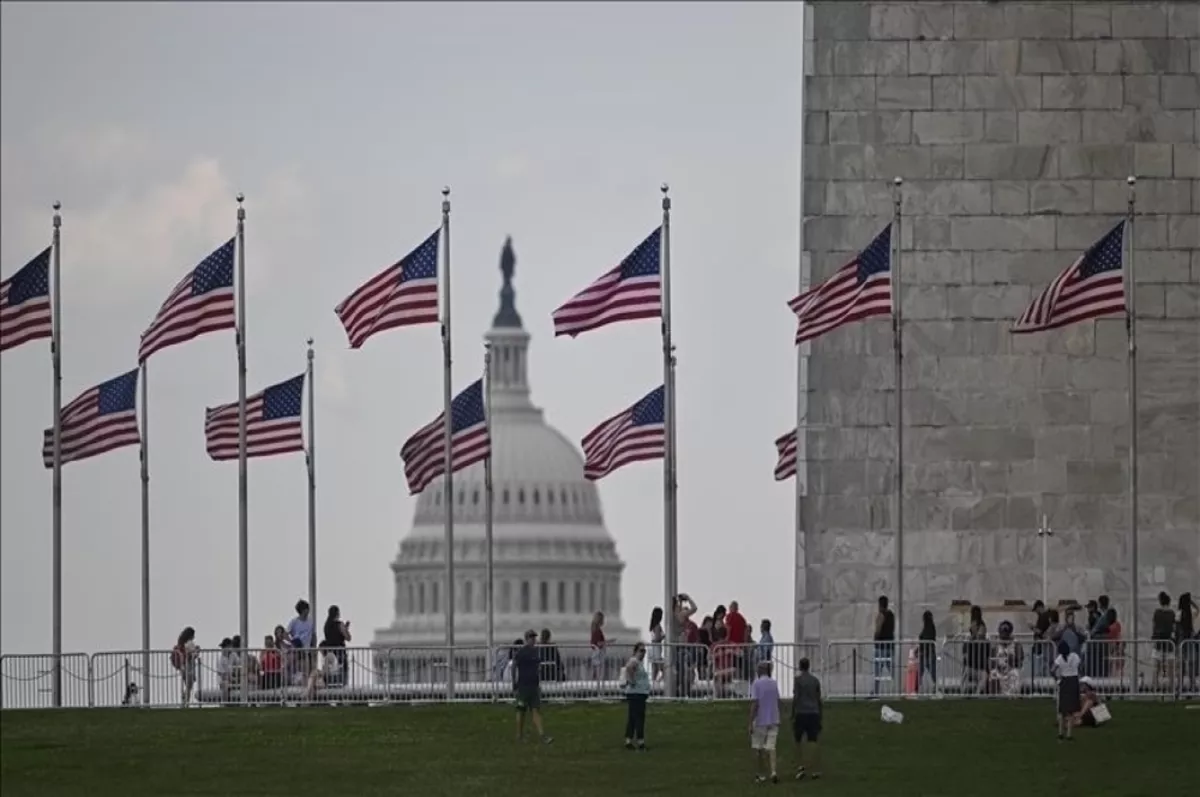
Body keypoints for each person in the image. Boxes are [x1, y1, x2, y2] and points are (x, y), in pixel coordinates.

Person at [512, 630, 552, 744]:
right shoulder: (522, 652)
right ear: (526, 639)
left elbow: (537, 666)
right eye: (531, 637)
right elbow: (514, 666)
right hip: (523, 686)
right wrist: (514, 683)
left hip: (533, 686)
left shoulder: (536, 652)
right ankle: (519, 735)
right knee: (521, 711)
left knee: (536, 711)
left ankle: (542, 735)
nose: (533, 639)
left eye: (534, 637)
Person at [748, 660, 781, 784]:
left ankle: (760, 774)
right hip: (773, 718)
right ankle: (773, 771)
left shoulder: (756, 684)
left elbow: (755, 703)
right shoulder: (773, 683)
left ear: (760, 670)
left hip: (761, 719)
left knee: (758, 747)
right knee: (771, 747)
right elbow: (778, 700)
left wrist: (750, 721)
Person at [791, 657, 823, 781]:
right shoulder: (815, 680)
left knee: (798, 740)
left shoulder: (798, 680)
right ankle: (814, 768)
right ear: (809, 666)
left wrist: (793, 712)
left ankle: (801, 766)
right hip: (814, 712)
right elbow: (819, 699)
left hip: (801, 712)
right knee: (813, 740)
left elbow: (796, 697)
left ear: (800, 666)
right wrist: (820, 714)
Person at [622, 642, 651, 750]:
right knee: (639, 718)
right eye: (641, 651)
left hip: (638, 693)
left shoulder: (638, 662)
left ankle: (629, 740)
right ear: (636, 651)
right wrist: (632, 681)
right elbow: (629, 668)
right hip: (636, 693)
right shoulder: (634, 661)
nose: (643, 653)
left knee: (633, 718)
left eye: (644, 651)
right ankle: (640, 741)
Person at [1053, 639, 1082, 741]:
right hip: (1073, 681)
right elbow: (1080, 666)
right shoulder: (1074, 656)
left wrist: (1057, 680)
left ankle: (1060, 732)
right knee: (1071, 710)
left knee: (1062, 709)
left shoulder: (1059, 658)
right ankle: (1069, 734)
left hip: (1064, 681)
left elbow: (1052, 670)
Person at [1151, 591, 1176, 691]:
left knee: (1156, 668)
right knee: (1171, 670)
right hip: (1169, 643)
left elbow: (1154, 626)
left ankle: (1155, 688)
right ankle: (1171, 689)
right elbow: (1173, 628)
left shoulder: (1157, 613)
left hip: (1158, 643)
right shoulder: (1172, 613)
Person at [872, 595, 896, 695]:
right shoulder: (891, 615)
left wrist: (875, 639)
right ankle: (895, 691)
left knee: (877, 672)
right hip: (890, 646)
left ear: (880, 605)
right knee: (892, 671)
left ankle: (876, 692)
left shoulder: (880, 615)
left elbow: (878, 630)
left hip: (880, 647)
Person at [170, 627, 199, 706]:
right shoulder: (190, 643)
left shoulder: (181, 643)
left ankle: (185, 699)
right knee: (189, 686)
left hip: (182, 666)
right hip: (189, 665)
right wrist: (197, 651)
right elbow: (193, 655)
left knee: (187, 685)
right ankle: (186, 701)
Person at [917, 611, 938, 691]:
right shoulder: (929, 627)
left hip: (927, 653)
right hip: (927, 653)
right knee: (926, 671)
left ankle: (923, 687)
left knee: (927, 671)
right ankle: (923, 687)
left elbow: (927, 639)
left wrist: (923, 650)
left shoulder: (929, 627)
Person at [648, 607, 665, 681]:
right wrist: (664, 636)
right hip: (656, 648)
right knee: (664, 669)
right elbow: (658, 638)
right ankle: (658, 681)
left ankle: (654, 683)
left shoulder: (652, 626)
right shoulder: (657, 626)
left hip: (652, 648)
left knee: (655, 670)